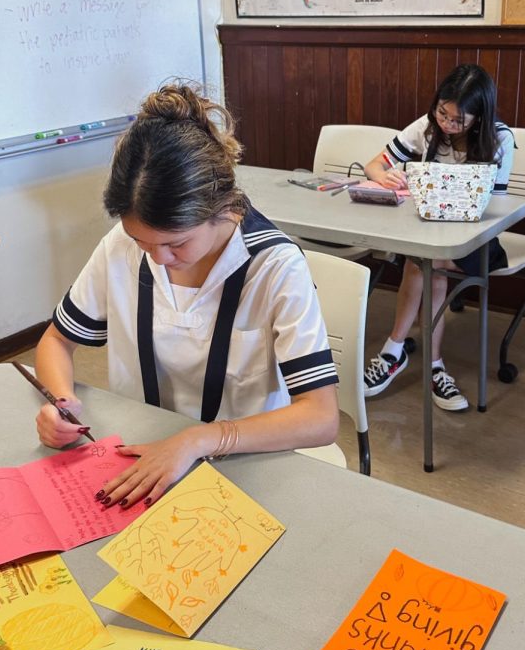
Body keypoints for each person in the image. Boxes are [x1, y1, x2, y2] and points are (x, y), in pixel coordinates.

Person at [35, 84, 339, 507]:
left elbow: (321, 417)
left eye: (176, 243)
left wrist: (198, 440)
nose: (158, 260)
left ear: (219, 207)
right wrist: (60, 402)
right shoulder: (120, 247)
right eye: (142, 242)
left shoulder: (274, 267)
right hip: (138, 455)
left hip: (246, 464)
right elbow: (56, 340)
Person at [361, 64, 514, 410]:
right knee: (425, 261)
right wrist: (384, 178)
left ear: (480, 118)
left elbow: (498, 208)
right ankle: (432, 366)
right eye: (441, 113)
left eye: (457, 120)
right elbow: (374, 165)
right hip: (430, 233)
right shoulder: (429, 128)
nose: (446, 124)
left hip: (478, 239)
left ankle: (394, 353)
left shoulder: (500, 139)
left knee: (423, 263)